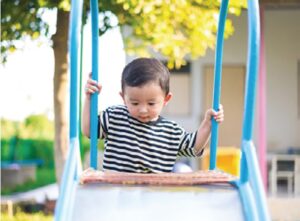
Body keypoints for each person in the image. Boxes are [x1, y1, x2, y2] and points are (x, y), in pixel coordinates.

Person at [82, 58, 224, 173]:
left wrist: (208, 124)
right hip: (118, 191)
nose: (143, 110)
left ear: (166, 99)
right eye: (135, 103)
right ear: (123, 98)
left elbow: (194, 147)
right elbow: (89, 130)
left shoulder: (171, 131)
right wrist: (89, 99)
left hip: (154, 195)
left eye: (151, 103)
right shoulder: (114, 117)